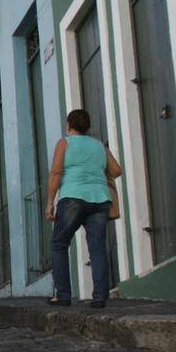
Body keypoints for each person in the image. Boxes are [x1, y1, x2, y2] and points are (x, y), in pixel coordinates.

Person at [46, 108, 124, 309]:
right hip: (100, 199)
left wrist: (49, 203)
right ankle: (100, 297)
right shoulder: (99, 146)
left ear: (69, 125)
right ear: (87, 126)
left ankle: (63, 295)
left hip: (72, 197)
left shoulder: (65, 143)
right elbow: (116, 170)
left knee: (59, 244)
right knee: (97, 247)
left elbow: (56, 173)